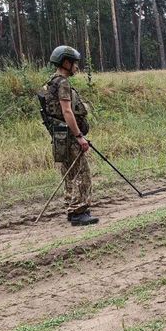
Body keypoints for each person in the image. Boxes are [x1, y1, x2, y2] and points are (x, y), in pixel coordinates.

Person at [43, 45, 99, 226]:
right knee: (82, 173)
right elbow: (67, 111)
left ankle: (72, 209)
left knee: (69, 173)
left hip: (59, 135)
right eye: (74, 63)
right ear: (65, 63)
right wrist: (79, 136)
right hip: (69, 135)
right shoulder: (63, 83)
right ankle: (79, 211)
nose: (76, 67)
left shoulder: (50, 83)